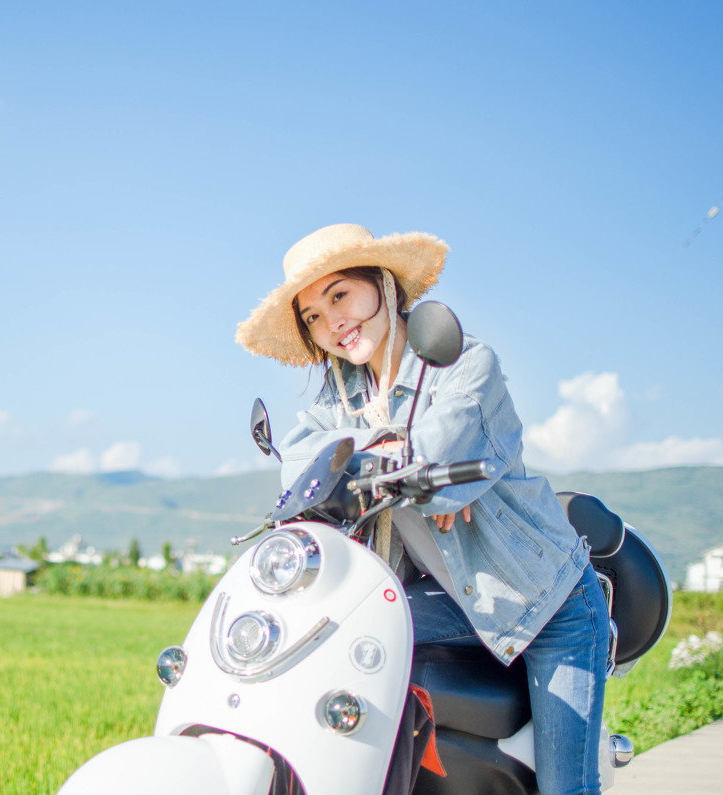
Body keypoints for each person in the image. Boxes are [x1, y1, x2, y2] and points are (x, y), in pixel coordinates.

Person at [235, 223, 611, 795]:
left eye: (339, 295)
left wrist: (394, 466)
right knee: (334, 628)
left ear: (383, 286)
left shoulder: (466, 365)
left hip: (545, 602)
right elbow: (299, 467)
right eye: (312, 315)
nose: (331, 322)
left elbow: (434, 464)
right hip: (453, 597)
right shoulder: (343, 397)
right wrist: (385, 456)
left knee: (567, 790)